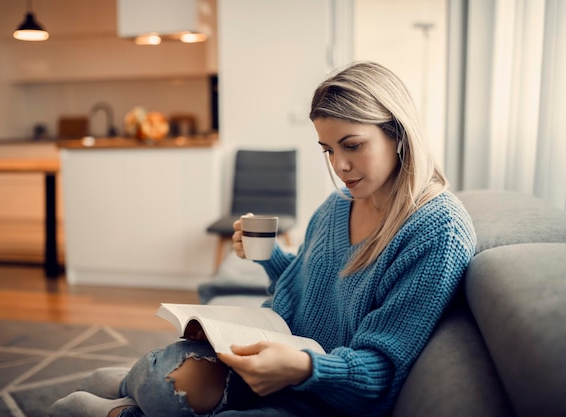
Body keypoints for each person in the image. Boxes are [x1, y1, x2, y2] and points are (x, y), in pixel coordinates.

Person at [49, 61, 477, 417]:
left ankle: (125, 403)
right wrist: (270, 257)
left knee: (161, 383)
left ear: (398, 134)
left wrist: (304, 370)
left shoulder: (436, 231)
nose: (340, 165)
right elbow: (312, 284)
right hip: (280, 359)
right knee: (164, 376)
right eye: (328, 150)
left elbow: (381, 367)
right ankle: (132, 390)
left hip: (328, 396)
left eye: (352, 145)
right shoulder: (336, 207)